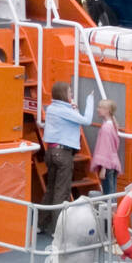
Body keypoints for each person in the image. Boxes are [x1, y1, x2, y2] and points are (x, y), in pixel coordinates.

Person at [38, 81, 96, 234]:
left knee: (50, 189)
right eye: (70, 92)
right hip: (63, 154)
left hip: (51, 152)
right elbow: (86, 121)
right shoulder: (64, 111)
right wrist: (90, 101)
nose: (71, 95)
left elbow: (69, 120)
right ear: (64, 94)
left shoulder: (52, 108)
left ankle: (40, 224)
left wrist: (73, 110)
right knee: (61, 191)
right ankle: (57, 229)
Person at [91, 98, 122, 196]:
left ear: (107, 110)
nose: (97, 109)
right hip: (113, 162)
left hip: (107, 166)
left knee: (108, 196)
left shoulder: (106, 128)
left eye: (100, 107)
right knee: (112, 194)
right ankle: (114, 211)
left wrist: (103, 168)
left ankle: (110, 211)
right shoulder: (112, 125)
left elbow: (105, 149)